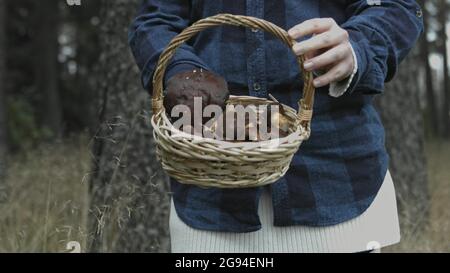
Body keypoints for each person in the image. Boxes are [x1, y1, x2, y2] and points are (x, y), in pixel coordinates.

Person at [128, 0, 424, 253]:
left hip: (338, 182)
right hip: (208, 197)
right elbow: (155, 20)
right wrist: (183, 72)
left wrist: (358, 47)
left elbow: (394, 6)